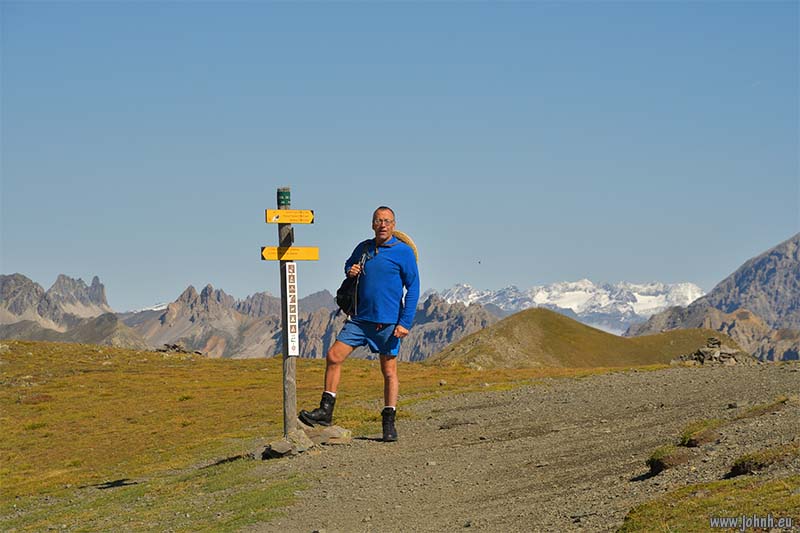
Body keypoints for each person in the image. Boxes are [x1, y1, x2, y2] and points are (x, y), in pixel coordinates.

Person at [299, 206, 420, 442]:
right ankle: (326, 411)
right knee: (334, 356)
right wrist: (351, 270)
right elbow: (348, 264)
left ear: (394, 225)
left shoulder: (403, 253)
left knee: (388, 371)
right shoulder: (364, 248)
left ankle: (389, 422)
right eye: (378, 221)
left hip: (387, 323)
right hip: (359, 319)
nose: (382, 224)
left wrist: (405, 322)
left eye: (387, 221)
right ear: (372, 224)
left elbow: (413, 288)